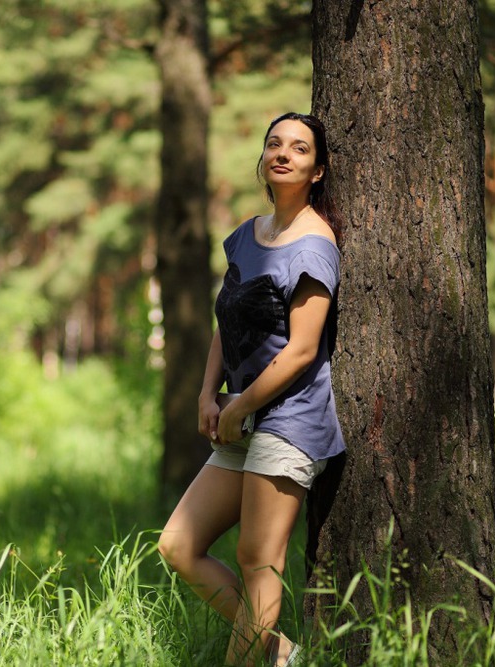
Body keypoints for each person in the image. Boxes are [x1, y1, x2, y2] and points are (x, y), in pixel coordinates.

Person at [158, 112, 345, 667]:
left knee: (257, 558)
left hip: (289, 418)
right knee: (178, 546)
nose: (283, 154)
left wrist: (239, 404)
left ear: (318, 170)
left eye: (300, 148)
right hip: (240, 415)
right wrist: (206, 394)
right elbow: (228, 322)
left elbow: (303, 349)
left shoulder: (316, 244)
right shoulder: (245, 237)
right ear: (263, 158)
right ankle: (286, 654)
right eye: (274, 144)